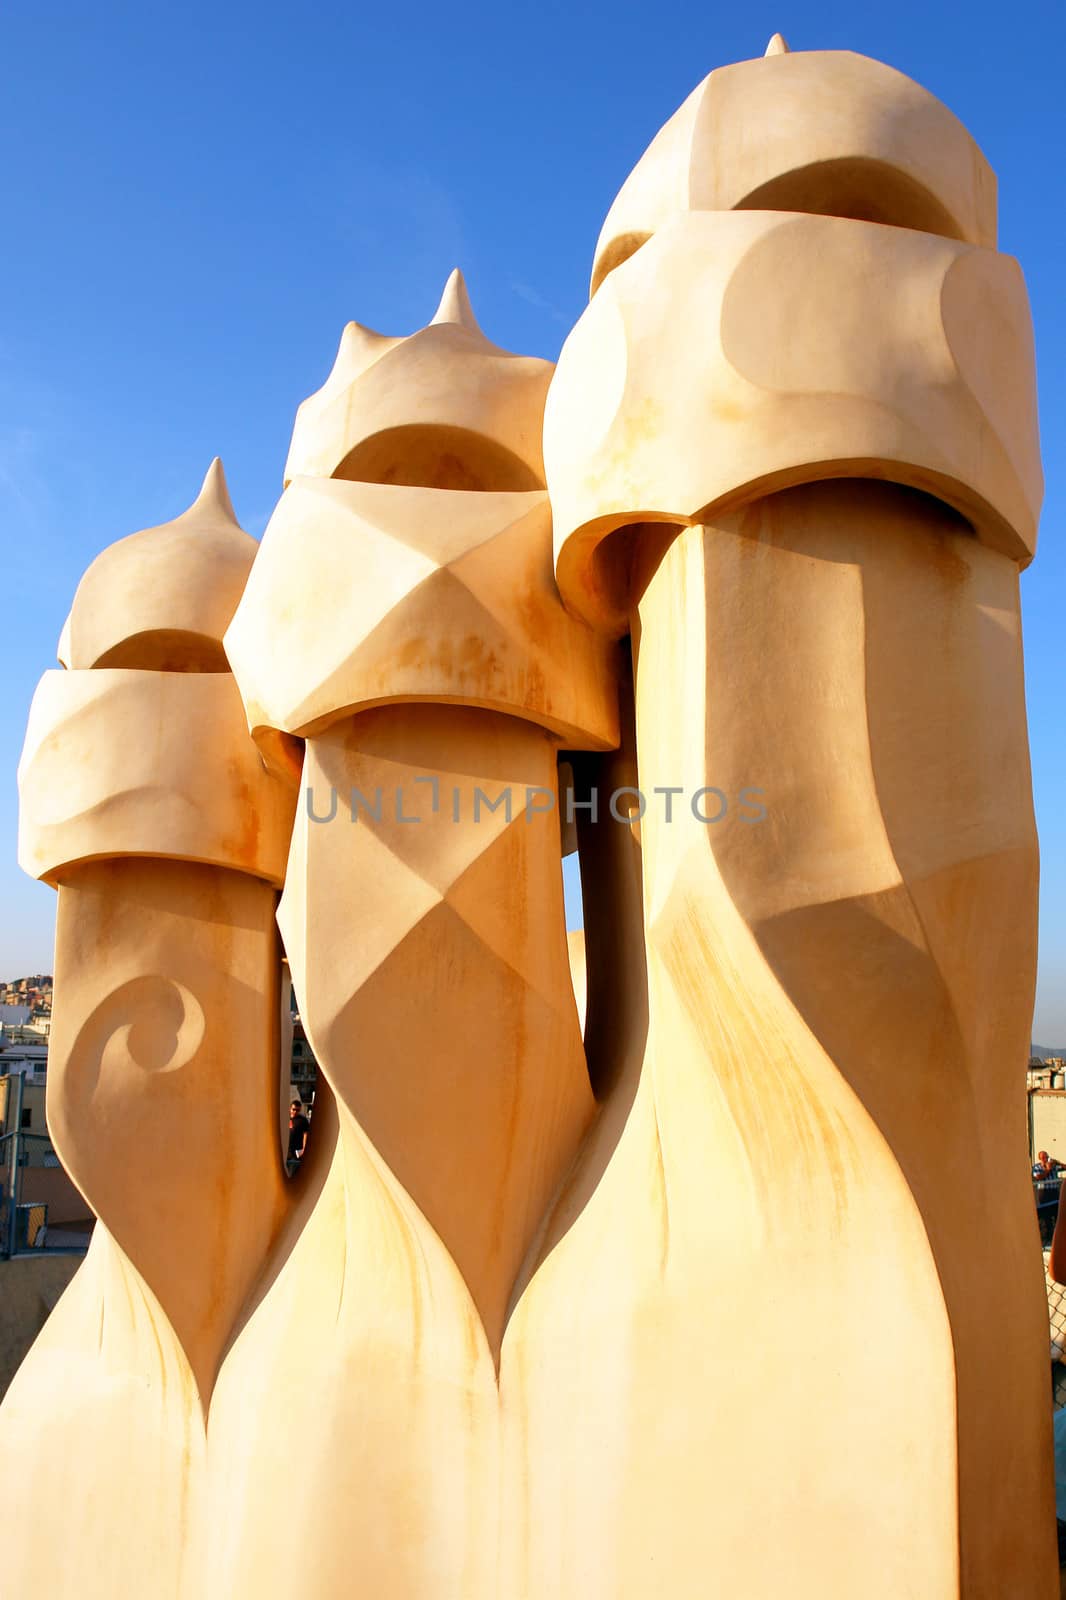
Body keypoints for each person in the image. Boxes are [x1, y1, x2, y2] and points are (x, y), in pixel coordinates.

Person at [287, 1099, 310, 1175]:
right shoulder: (285, 1118)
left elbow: (305, 1134)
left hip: (296, 1153)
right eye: (293, 1109)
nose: (295, 1112)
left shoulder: (302, 1121)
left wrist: (304, 1149)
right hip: (286, 1152)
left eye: (297, 1110)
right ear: (290, 1109)